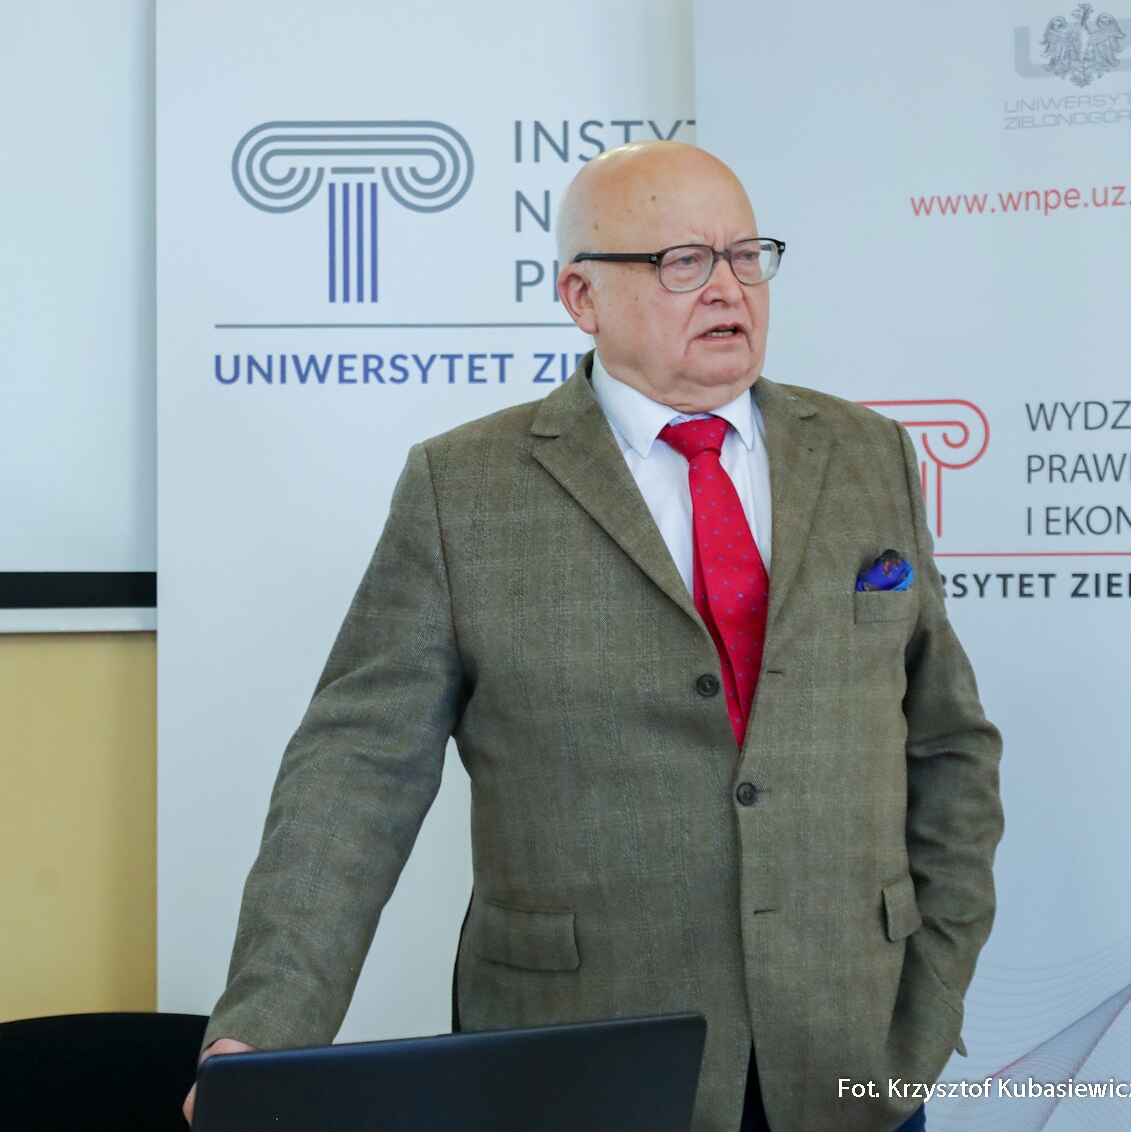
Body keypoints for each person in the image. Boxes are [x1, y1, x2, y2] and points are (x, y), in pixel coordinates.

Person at [185, 141, 1002, 1132]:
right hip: (580, 1068)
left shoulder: (868, 453)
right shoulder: (463, 488)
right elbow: (355, 775)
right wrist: (265, 1031)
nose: (729, 289)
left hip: (853, 1057)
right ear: (583, 296)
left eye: (747, 256)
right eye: (683, 261)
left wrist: (932, 995)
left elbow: (948, 744)